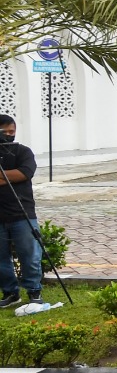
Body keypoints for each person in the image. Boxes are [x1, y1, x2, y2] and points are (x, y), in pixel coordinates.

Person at [0, 116, 43, 308]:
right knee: (1, 258)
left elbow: (24, 173)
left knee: (29, 255)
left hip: (22, 212)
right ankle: (10, 293)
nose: (9, 135)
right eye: (5, 132)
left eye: (12, 131)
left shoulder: (23, 151)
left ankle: (34, 291)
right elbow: (14, 176)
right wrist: (10, 176)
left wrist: (7, 176)